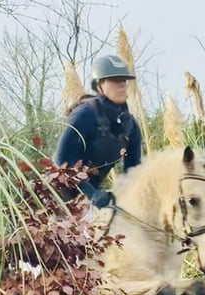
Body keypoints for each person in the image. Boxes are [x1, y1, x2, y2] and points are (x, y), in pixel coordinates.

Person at [54, 55, 143, 208]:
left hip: (92, 198)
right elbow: (62, 159)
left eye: (124, 80)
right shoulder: (85, 114)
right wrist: (91, 193)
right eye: (115, 80)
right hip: (56, 195)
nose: (122, 85)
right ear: (99, 85)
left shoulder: (131, 126)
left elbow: (133, 171)